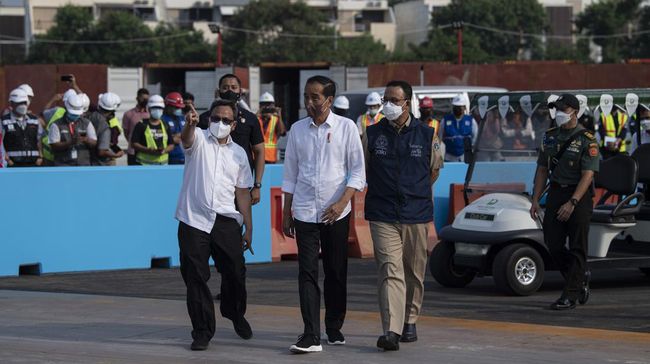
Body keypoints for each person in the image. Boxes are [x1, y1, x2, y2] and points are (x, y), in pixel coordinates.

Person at [282, 76, 365, 354]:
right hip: (304, 211)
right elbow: (290, 174)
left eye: (315, 97)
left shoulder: (347, 128)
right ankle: (310, 335)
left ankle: (333, 324)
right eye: (306, 96)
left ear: (329, 100)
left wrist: (342, 203)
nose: (309, 102)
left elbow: (357, 172)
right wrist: (286, 211)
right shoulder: (296, 130)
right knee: (306, 272)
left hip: (335, 214)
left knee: (335, 271)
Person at [363, 80, 443, 351]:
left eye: (394, 100)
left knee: (414, 272)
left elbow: (434, 170)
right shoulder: (372, 134)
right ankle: (392, 330)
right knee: (390, 270)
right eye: (385, 99)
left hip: (416, 213)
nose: (388, 105)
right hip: (382, 212)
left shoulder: (427, 134)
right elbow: (364, 168)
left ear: (407, 103)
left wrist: (414, 189)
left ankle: (410, 318)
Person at [175, 100, 254, 351]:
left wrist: (248, 228)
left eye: (226, 120)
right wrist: (189, 125)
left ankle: (233, 311)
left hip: (226, 221)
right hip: (194, 219)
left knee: (235, 271)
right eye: (216, 118)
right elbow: (186, 139)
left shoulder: (239, 153)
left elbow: (242, 193)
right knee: (195, 277)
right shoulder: (198, 138)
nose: (220, 124)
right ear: (209, 119)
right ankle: (202, 331)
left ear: (234, 124)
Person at [530, 93, 599, 311]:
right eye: (556, 108)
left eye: (563, 109)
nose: (558, 113)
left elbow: (588, 175)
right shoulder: (549, 136)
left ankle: (570, 294)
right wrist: (535, 199)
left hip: (579, 195)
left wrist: (573, 203)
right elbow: (542, 169)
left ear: (574, 112)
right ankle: (579, 278)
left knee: (578, 245)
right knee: (553, 243)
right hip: (556, 193)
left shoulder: (587, 139)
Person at [198, 74, 265, 205]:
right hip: (210, 183)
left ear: (240, 91)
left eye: (234, 87)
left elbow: (259, 151)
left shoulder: (250, 118)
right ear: (218, 92)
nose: (229, 91)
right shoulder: (206, 118)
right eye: (225, 87)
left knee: (237, 222)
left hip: (240, 184)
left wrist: (257, 185)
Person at [48, 93, 97, 166]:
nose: (75, 116)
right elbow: (53, 146)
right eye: (73, 114)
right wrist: (70, 143)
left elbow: (94, 142)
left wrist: (85, 139)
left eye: (77, 115)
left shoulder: (87, 123)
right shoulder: (56, 125)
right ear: (66, 108)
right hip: (63, 165)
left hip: (83, 165)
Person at [2, 88, 43, 167]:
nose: (23, 106)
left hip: (34, 164)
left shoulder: (34, 120)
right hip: (13, 165)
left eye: (24, 103)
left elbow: (39, 140)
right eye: (19, 103)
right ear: (11, 103)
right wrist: (8, 160)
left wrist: (40, 157)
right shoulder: (3, 122)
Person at [130, 95, 174, 165]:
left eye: (160, 108)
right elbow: (134, 143)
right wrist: (148, 150)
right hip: (144, 165)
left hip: (163, 166)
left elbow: (171, 144)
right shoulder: (141, 124)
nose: (157, 110)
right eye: (154, 108)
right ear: (149, 109)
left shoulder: (165, 125)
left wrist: (164, 150)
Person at [88, 93, 124, 166]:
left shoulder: (91, 116)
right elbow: (102, 151)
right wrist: (116, 155)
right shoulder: (105, 126)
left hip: (88, 160)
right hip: (100, 164)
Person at [440, 94, 478, 162]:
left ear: (464, 108)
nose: (458, 109)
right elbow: (440, 139)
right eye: (456, 107)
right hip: (449, 158)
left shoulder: (471, 121)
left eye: (460, 107)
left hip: (465, 158)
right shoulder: (445, 120)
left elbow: (475, 138)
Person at [122, 88, 150, 165]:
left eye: (146, 99)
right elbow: (126, 132)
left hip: (147, 151)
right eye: (142, 98)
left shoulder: (150, 114)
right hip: (133, 152)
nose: (145, 100)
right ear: (137, 98)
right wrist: (134, 142)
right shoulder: (128, 114)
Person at [257, 92, 286, 164]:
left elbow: (282, 132)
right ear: (260, 106)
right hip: (257, 157)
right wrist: (258, 113)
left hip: (271, 158)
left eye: (269, 105)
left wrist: (279, 116)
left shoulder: (276, 120)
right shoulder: (256, 119)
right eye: (264, 105)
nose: (267, 108)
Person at [163, 92, 186, 165]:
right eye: (176, 107)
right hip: (170, 158)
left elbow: (188, 135)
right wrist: (172, 139)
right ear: (168, 106)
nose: (178, 109)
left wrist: (179, 136)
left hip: (184, 157)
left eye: (180, 107)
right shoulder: (162, 120)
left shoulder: (182, 118)